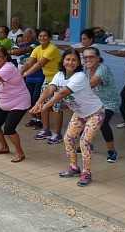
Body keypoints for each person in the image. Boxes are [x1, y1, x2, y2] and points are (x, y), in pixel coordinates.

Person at [31, 49, 105, 186]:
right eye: (67, 59)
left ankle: (86, 173)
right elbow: (50, 89)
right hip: (80, 113)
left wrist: (45, 107)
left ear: (78, 63)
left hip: (95, 113)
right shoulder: (59, 75)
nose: (70, 62)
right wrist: (38, 102)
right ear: (63, 61)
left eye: (74, 60)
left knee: (84, 142)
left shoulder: (80, 76)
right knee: (68, 138)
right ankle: (73, 168)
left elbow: (62, 93)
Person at [21, 29, 63, 143]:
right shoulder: (37, 49)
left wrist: (25, 74)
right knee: (43, 104)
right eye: (40, 36)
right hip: (47, 79)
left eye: (45, 36)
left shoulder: (52, 49)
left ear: (49, 38)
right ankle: (45, 130)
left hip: (59, 80)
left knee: (56, 108)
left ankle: (57, 134)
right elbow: (30, 62)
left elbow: (40, 64)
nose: (42, 38)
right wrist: (20, 72)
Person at [83, 47, 121, 163]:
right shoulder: (86, 69)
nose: (88, 59)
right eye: (86, 57)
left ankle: (112, 151)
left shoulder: (102, 69)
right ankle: (87, 145)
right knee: (83, 120)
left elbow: (92, 84)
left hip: (109, 103)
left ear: (98, 58)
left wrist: (70, 91)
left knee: (103, 122)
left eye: (91, 57)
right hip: (96, 102)